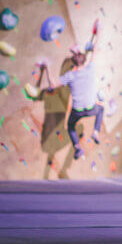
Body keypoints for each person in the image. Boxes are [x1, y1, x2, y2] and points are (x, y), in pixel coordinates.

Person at [41, 23, 102, 160]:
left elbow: (52, 84)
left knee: (70, 126)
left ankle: (77, 148)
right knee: (101, 109)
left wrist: (47, 68)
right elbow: (95, 51)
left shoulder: (70, 76)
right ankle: (96, 132)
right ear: (84, 61)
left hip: (78, 110)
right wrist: (97, 34)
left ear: (73, 63)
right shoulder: (90, 68)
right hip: (91, 107)